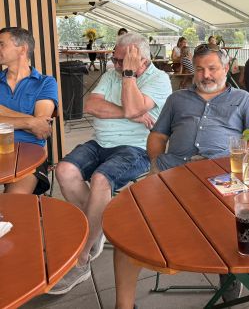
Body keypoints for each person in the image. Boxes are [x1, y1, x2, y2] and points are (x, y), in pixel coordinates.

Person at [113, 43, 249, 308]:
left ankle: (230, 274)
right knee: (127, 228)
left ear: (226, 68)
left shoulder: (244, 100)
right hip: (172, 172)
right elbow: (158, 135)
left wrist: (241, 163)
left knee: (235, 222)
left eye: (212, 68)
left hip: (222, 175)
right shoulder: (177, 99)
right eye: (200, 69)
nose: (206, 75)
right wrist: (156, 164)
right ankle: (123, 305)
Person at [51, 33, 171, 295]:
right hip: (100, 143)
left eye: (120, 60)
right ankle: (97, 226)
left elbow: (134, 107)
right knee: (64, 170)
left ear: (141, 59)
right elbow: (91, 105)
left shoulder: (159, 79)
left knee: (101, 179)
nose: (115, 64)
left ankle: (82, 258)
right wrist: (130, 114)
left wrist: (128, 77)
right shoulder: (110, 74)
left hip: (136, 148)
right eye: (115, 59)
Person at [0, 27, 57, 194]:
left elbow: (41, 127)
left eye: (1, 44)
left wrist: (2, 111)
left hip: (29, 153)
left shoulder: (45, 82)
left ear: (22, 49)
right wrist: (31, 122)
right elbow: (37, 124)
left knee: (14, 201)